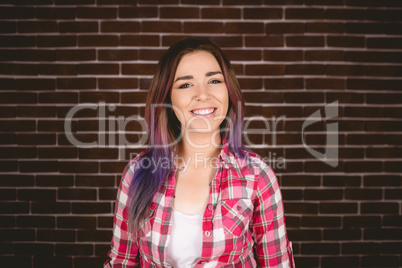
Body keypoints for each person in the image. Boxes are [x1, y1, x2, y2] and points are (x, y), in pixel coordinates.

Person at [104, 38, 295, 268]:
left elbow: (278, 264)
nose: (203, 94)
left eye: (214, 80)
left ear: (229, 91)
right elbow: (121, 262)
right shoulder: (136, 173)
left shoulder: (258, 176)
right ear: (167, 100)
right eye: (185, 85)